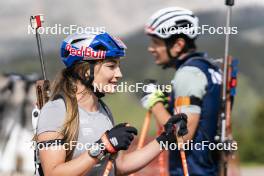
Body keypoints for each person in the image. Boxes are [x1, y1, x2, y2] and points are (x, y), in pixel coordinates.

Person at [35, 31, 187, 176]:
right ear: (86, 71)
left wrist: (165, 139)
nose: (119, 74)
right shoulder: (56, 111)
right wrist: (103, 146)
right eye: (111, 66)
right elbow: (53, 173)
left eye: (118, 66)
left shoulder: (103, 110)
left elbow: (120, 166)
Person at [141, 7, 222, 176]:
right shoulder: (208, 67)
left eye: (156, 43)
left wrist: (154, 102)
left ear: (178, 45)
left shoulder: (188, 73)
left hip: (191, 171)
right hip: (208, 168)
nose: (151, 49)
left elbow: (181, 138)